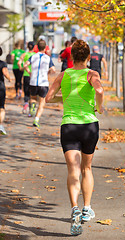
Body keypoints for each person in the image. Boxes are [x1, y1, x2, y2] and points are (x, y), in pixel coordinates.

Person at [45, 40, 104, 236]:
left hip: (69, 126)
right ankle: (87, 208)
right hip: (89, 126)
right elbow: (100, 90)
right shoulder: (91, 74)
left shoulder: (63, 75)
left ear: (71, 57)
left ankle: (74, 209)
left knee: (73, 169)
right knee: (87, 168)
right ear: (88, 57)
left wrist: (65, 98)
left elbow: (48, 98)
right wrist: (100, 106)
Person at [24, 39, 55, 128]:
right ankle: (36, 119)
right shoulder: (48, 58)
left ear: (36, 47)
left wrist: (29, 72)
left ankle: (32, 107)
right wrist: (48, 72)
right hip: (43, 83)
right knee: (42, 102)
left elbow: (25, 65)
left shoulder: (33, 57)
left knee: (33, 98)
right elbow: (53, 69)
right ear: (45, 48)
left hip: (33, 81)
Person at [18, 41, 35, 114]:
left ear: (27, 47)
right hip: (34, 76)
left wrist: (21, 68)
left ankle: (25, 106)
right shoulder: (35, 55)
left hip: (26, 76)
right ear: (34, 47)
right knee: (33, 93)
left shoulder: (24, 54)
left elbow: (19, 63)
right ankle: (32, 110)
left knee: (26, 92)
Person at [0, 47, 11, 135]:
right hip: (0, 88)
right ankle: (0, 126)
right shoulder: (2, 63)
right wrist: (9, 78)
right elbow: (5, 72)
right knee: (1, 108)